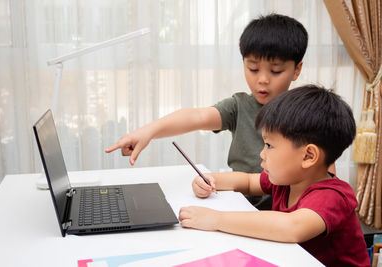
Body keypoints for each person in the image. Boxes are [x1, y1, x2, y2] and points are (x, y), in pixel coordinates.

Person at [105, 13, 308, 210]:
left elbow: (324, 177)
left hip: (283, 218)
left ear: (296, 70)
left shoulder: (308, 113)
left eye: (275, 71)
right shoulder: (239, 106)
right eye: (253, 69)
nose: (262, 79)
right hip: (239, 206)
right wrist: (148, 132)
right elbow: (196, 117)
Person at [179, 85, 370, 266]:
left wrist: (216, 220)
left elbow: (290, 227)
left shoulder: (332, 196)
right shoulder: (288, 180)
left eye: (269, 146)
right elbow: (247, 181)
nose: (262, 154)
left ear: (308, 156)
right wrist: (210, 179)